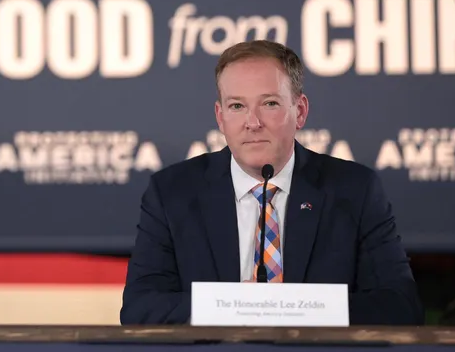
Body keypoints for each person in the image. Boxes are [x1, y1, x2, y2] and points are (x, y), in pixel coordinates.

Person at [120, 40, 422, 326]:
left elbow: (400, 306)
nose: (253, 122)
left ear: (300, 111)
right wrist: (234, 306)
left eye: (270, 103)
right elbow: (140, 308)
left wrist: (293, 308)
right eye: (237, 106)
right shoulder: (172, 193)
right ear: (220, 117)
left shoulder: (355, 190)